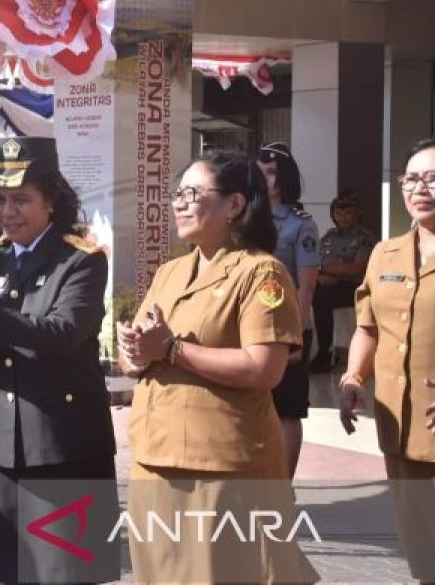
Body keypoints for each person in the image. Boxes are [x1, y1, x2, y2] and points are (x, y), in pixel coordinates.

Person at [119, 148, 317, 584]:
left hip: (223, 469)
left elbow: (264, 369)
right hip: (155, 458)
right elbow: (139, 351)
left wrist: (171, 350)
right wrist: (133, 350)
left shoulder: (262, 273)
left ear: (235, 205)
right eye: (177, 193)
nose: (179, 202)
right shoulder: (169, 272)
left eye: (192, 192)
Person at [0, 136, 119, 584]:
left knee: (68, 574)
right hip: (0, 447)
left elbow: (61, 334)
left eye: (21, 199)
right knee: (8, 572)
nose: (7, 211)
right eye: (0, 199)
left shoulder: (82, 260)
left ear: (52, 200)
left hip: (64, 446)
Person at [340, 137, 435, 583]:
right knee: (420, 542)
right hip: (399, 424)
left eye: (433, 178)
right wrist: (354, 378)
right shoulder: (384, 253)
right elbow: (368, 327)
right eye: (412, 179)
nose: (421, 188)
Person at [257, 141, 319, 477]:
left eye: (268, 172)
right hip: (252, 326)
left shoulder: (300, 223)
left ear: (282, 179)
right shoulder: (246, 216)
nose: (262, 178)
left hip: (289, 326)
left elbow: (307, 284)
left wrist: (294, 333)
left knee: (287, 409)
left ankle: (283, 484)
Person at [312, 189, 376, 372]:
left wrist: (326, 272)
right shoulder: (328, 237)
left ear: (358, 213)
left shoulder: (365, 238)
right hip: (324, 283)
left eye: (348, 213)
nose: (343, 218)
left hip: (353, 287)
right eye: (338, 213)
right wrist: (320, 276)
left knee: (321, 298)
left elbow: (355, 268)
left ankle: (325, 352)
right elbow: (312, 262)